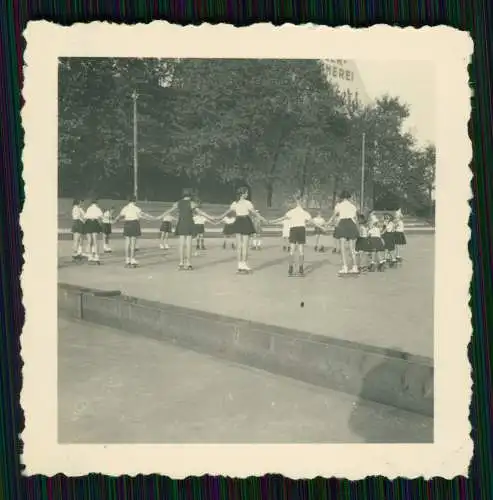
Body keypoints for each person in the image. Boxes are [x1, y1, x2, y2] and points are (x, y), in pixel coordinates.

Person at [158, 189, 214, 270]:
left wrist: (160, 216)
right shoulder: (192, 203)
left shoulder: (178, 203)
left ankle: (181, 263)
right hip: (189, 224)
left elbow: (169, 210)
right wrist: (210, 217)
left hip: (181, 224)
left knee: (181, 244)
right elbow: (200, 212)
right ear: (190, 195)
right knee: (188, 245)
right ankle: (188, 263)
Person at [270, 196, 324, 276]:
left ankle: (290, 269)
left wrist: (272, 222)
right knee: (301, 250)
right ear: (301, 203)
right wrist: (321, 227)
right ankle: (301, 269)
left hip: (294, 230)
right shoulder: (305, 213)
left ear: (296, 203)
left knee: (292, 250)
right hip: (301, 229)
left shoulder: (291, 212)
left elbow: (282, 218)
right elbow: (313, 222)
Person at [217, 187, 266, 273]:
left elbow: (228, 211)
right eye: (246, 193)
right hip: (242, 221)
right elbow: (253, 212)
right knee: (242, 245)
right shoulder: (245, 203)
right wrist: (219, 217)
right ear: (243, 194)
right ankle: (241, 264)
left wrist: (219, 217)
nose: (247, 194)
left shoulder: (237, 203)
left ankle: (243, 264)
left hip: (242, 221)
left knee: (242, 245)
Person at [113, 196, 154, 267]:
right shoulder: (136, 208)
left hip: (127, 224)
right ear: (135, 201)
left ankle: (127, 259)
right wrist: (151, 218)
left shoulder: (125, 208)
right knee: (133, 243)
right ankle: (132, 259)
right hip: (134, 224)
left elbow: (120, 215)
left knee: (127, 242)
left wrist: (115, 220)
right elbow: (142, 215)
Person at [328, 190, 359, 274]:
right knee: (352, 248)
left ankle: (345, 267)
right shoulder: (353, 206)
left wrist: (328, 223)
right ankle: (355, 267)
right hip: (351, 225)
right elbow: (355, 218)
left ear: (342, 197)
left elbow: (334, 216)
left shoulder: (339, 206)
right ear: (349, 197)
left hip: (342, 225)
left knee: (342, 248)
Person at [84, 199, 104, 263]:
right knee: (95, 241)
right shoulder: (98, 208)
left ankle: (90, 256)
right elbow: (102, 217)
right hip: (94, 223)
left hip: (88, 223)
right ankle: (96, 256)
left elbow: (85, 217)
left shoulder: (88, 208)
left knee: (89, 241)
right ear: (96, 203)